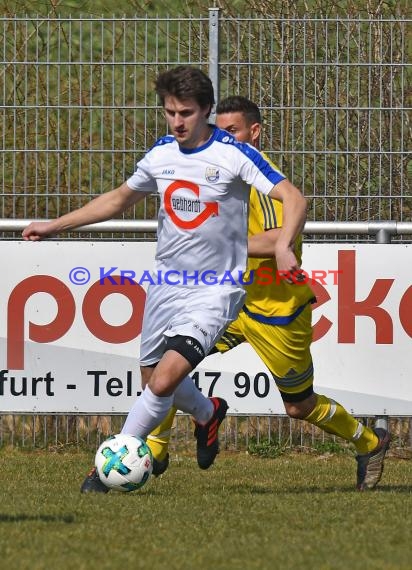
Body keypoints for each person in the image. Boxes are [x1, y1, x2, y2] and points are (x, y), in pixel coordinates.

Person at [22, 68, 308, 493]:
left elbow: (294, 196)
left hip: (215, 289)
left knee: (162, 381)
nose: (177, 121)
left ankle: (111, 464)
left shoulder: (233, 153)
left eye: (186, 113)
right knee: (152, 377)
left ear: (207, 111)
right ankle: (208, 412)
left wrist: (284, 243)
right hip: (165, 285)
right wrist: (57, 225)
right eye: (170, 112)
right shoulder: (161, 154)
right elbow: (120, 198)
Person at [145, 95, 390, 492]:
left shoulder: (266, 181)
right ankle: (155, 448)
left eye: (232, 131)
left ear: (254, 132)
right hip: (229, 303)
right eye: (216, 132)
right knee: (166, 364)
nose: (223, 140)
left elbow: (280, 240)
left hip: (276, 312)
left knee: (298, 406)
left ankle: (370, 442)